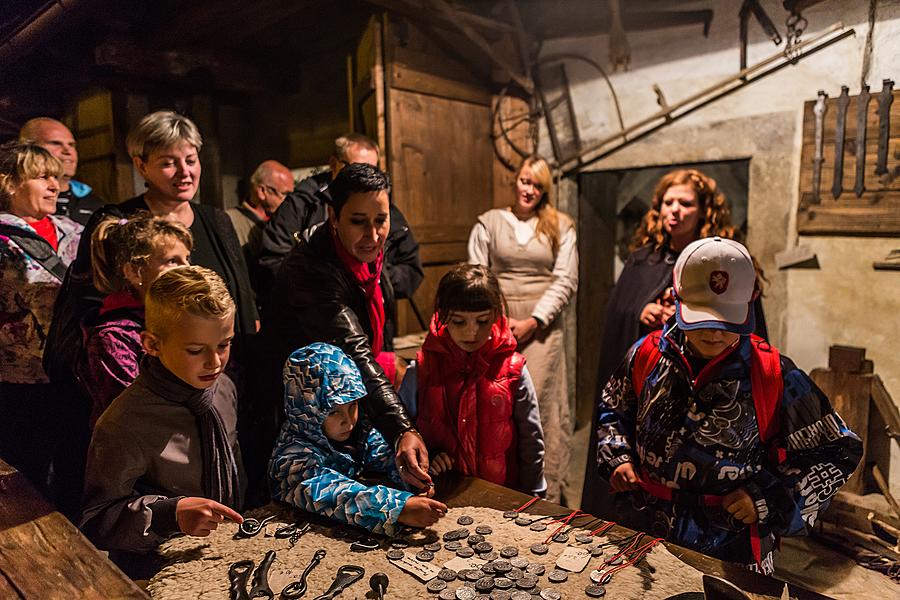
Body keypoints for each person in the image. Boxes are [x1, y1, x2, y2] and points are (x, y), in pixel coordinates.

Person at [593, 237, 862, 575]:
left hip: (731, 548)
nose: (716, 333)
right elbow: (614, 409)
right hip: (643, 533)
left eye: (728, 321)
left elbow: (838, 449)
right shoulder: (645, 356)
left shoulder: (773, 373)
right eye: (703, 319)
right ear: (677, 300)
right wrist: (617, 455)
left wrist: (764, 496)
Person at [582, 168, 767, 515]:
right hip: (651, 394)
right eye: (668, 202)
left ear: (704, 209)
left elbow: (746, 331)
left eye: (685, 203)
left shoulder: (726, 266)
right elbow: (616, 316)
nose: (674, 210)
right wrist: (640, 310)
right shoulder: (641, 261)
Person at [43, 111, 257, 393]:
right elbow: (91, 304)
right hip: (141, 374)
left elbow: (243, 304)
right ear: (141, 165)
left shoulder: (217, 221)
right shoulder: (118, 222)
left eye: (191, 161)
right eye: (168, 163)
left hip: (219, 374)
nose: (185, 172)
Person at [260, 163, 432, 500]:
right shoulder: (311, 271)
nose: (372, 235)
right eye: (358, 221)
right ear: (334, 216)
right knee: (324, 497)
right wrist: (402, 430)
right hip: (307, 418)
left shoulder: (368, 258)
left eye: (380, 220)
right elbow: (356, 352)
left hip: (348, 405)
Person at [80, 266, 245, 558]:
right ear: (152, 344)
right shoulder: (124, 422)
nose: (215, 362)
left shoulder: (224, 388)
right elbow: (96, 521)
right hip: (158, 566)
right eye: (195, 350)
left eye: (224, 344)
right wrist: (169, 514)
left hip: (226, 556)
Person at [468, 154, 577, 503]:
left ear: (545, 191)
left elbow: (565, 279)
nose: (529, 189)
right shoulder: (489, 222)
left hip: (541, 329)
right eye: (525, 181)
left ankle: (544, 493)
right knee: (496, 404)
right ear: (516, 181)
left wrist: (534, 321)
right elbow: (477, 274)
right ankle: (498, 488)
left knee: (540, 410)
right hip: (497, 324)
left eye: (537, 185)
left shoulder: (561, 225)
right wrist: (497, 320)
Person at [258, 133, 423, 342]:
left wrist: (373, 278)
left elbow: (412, 267)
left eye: (373, 171)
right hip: (312, 334)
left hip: (373, 330)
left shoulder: (383, 206)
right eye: (357, 221)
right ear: (334, 164)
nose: (364, 177)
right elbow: (273, 260)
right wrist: (338, 284)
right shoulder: (303, 204)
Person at [398, 264, 546, 495]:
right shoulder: (421, 370)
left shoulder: (514, 370)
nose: (471, 332)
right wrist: (427, 455)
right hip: (439, 492)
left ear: (497, 315)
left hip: (503, 493)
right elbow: (401, 432)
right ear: (443, 314)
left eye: (482, 321)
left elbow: (531, 440)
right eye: (459, 322)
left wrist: (535, 495)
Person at [270, 343, 447, 535]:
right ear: (307, 411)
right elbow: (335, 495)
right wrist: (397, 508)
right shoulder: (290, 460)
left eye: (352, 405)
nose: (348, 421)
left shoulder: (358, 430)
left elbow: (381, 451)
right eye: (333, 412)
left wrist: (412, 473)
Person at [0, 141, 82, 496]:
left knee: (73, 471)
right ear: (10, 184)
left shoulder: (76, 232)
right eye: (42, 176)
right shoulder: (3, 237)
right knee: (25, 477)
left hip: (75, 372)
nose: (55, 185)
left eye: (56, 177)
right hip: (19, 381)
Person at [76, 213, 192, 426]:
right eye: (172, 261)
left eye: (187, 259)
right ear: (135, 272)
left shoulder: (182, 318)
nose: (188, 270)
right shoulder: (112, 338)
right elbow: (136, 410)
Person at [19, 117, 103, 225]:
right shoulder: (12, 204)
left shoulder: (95, 204)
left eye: (71, 145)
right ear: (29, 149)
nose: (67, 150)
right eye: (56, 143)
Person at [226, 160, 293, 255]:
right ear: (262, 191)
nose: (290, 201)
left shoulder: (283, 220)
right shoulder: (230, 222)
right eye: (285, 194)